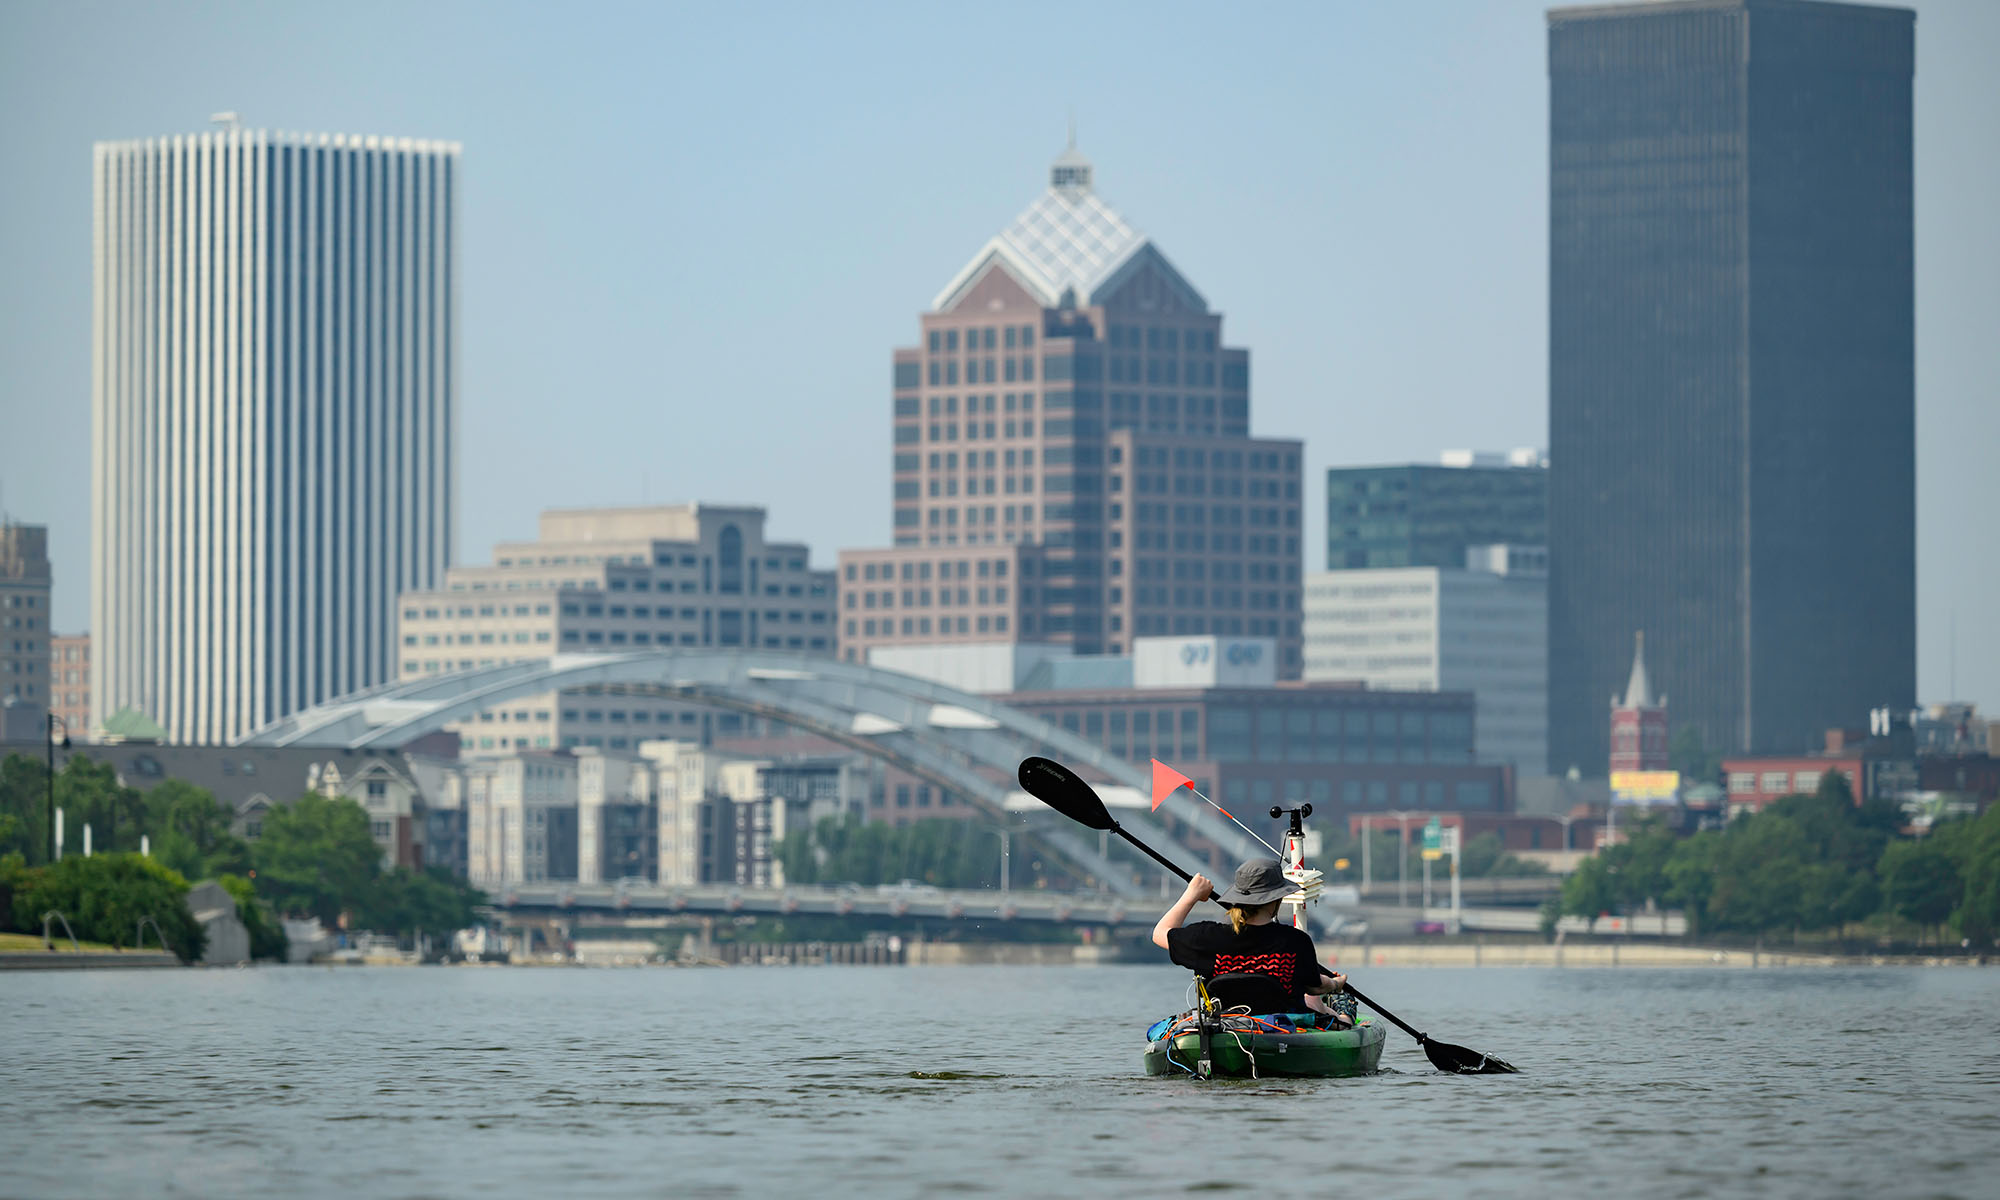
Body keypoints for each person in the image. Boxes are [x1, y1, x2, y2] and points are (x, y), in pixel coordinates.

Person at [1152, 858, 1348, 1020]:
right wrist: (1335, 984)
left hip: (1224, 1022)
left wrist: (1191, 894)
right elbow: (1314, 986)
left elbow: (1160, 933)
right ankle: (1344, 1016)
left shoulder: (1207, 937)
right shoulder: (1296, 941)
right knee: (1328, 1010)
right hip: (1283, 1027)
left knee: (1312, 1002)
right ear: (1275, 899)